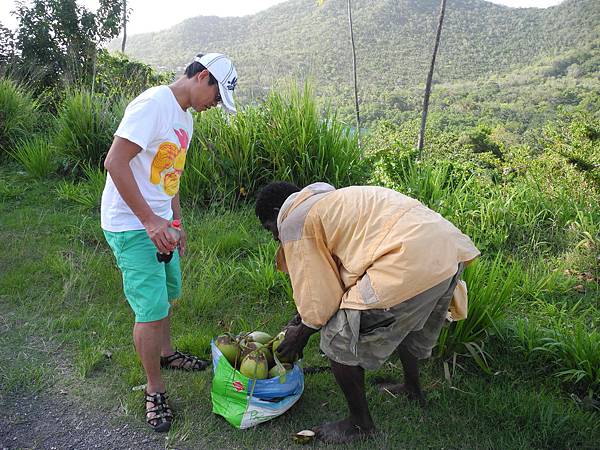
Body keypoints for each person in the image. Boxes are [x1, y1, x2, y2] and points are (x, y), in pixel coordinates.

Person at [255, 181, 480, 444]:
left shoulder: (294, 222)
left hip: (408, 261)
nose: (274, 237)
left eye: (270, 228)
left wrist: (301, 334)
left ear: (277, 211)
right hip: (446, 251)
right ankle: (412, 390)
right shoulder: (328, 200)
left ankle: (360, 425)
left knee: (337, 336)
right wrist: (303, 318)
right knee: (406, 320)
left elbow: (321, 305)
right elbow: (336, 276)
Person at [101, 53, 238, 432]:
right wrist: (149, 221)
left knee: (166, 293)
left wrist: (175, 221)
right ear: (204, 77)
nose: (214, 106)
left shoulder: (187, 119)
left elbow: (171, 174)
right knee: (149, 307)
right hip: (132, 224)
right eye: (216, 96)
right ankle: (154, 389)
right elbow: (115, 162)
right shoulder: (152, 105)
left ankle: (166, 353)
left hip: (161, 223)